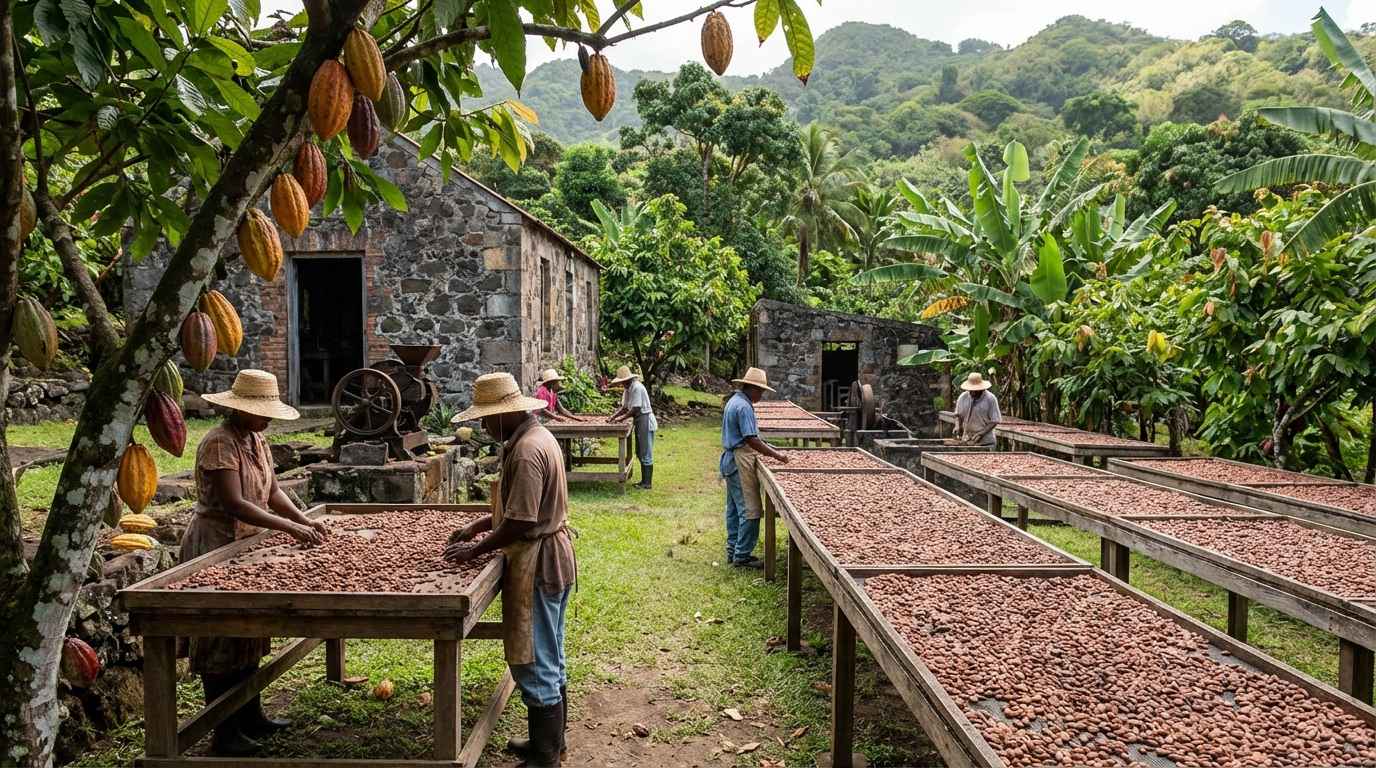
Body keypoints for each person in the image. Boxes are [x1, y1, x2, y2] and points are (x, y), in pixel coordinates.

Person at [182, 369, 328, 756]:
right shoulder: (219, 444)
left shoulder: (256, 439)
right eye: (262, 412)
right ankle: (223, 732)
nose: (267, 420)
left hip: (247, 544)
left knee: (248, 631)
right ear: (241, 410)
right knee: (220, 637)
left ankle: (251, 717)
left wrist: (303, 519)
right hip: (215, 543)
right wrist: (289, 529)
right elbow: (236, 503)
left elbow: (273, 492)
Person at [444, 373, 577, 768]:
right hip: (552, 556)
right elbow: (516, 508)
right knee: (551, 653)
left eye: (487, 418)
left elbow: (521, 520)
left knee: (535, 660)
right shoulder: (535, 437)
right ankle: (553, 743)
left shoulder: (525, 451)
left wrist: (474, 550)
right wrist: (477, 525)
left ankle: (545, 755)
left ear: (506, 415)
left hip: (541, 562)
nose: (484, 426)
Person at [720, 367, 790, 569]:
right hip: (738, 459)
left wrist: (770, 447)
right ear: (750, 388)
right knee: (751, 510)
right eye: (760, 391)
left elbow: (752, 437)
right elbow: (751, 439)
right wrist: (776, 455)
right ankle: (741, 556)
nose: (761, 395)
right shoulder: (743, 406)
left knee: (734, 508)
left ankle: (733, 550)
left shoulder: (735, 401)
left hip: (731, 459)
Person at [608, 365, 657, 490]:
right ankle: (644, 481)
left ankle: (647, 483)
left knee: (645, 451)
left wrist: (620, 419)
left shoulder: (637, 387)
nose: (622, 384)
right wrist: (613, 417)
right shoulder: (628, 389)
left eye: (622, 381)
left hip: (645, 418)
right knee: (639, 451)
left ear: (627, 379)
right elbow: (624, 407)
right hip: (639, 420)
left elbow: (636, 408)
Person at [954, 371, 1001, 446]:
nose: (973, 393)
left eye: (976, 391)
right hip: (967, 440)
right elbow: (958, 415)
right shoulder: (963, 397)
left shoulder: (990, 399)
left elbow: (995, 421)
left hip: (986, 442)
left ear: (982, 388)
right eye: (971, 391)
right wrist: (957, 426)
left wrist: (981, 433)